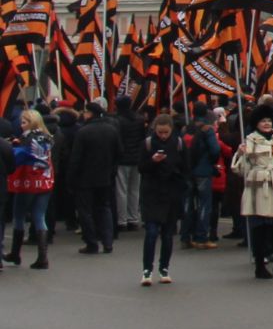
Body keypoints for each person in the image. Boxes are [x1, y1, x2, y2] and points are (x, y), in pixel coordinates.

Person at [231, 105, 273, 280]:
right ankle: (260, 265)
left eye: (269, 120)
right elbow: (241, 170)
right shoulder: (250, 140)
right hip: (257, 188)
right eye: (263, 121)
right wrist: (241, 154)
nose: (266, 124)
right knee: (259, 228)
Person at [137, 114, 188, 286]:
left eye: (166, 132)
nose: (163, 135)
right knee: (151, 232)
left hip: (171, 192)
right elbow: (141, 167)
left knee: (167, 234)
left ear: (172, 130)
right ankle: (147, 269)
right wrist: (153, 161)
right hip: (152, 193)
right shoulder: (147, 143)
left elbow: (186, 166)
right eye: (160, 132)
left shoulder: (179, 144)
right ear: (155, 129)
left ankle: (164, 267)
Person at [70, 100, 122, 255]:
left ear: (90, 113)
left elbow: (76, 158)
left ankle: (91, 242)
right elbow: (119, 152)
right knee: (104, 208)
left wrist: (71, 178)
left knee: (85, 211)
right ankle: (108, 242)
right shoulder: (111, 130)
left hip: (85, 178)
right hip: (105, 176)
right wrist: (111, 169)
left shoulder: (83, 132)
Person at [8, 110, 56, 269]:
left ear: (32, 123)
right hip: (45, 180)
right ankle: (43, 257)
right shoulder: (48, 137)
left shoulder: (28, 139)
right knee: (39, 216)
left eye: (24, 122)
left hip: (28, 181)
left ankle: (15, 253)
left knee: (19, 215)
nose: (21, 126)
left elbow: (18, 157)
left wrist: (11, 147)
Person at [184, 113, 222, 249]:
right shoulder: (208, 131)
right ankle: (201, 237)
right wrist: (213, 162)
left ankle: (186, 235)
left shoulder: (189, 129)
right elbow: (215, 149)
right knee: (204, 205)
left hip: (190, 170)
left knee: (189, 205)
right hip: (203, 170)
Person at [112, 95, 144, 233]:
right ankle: (133, 218)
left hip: (123, 158)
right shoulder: (139, 119)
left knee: (121, 190)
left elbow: (117, 140)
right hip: (136, 157)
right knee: (134, 189)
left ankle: (122, 220)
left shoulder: (117, 121)